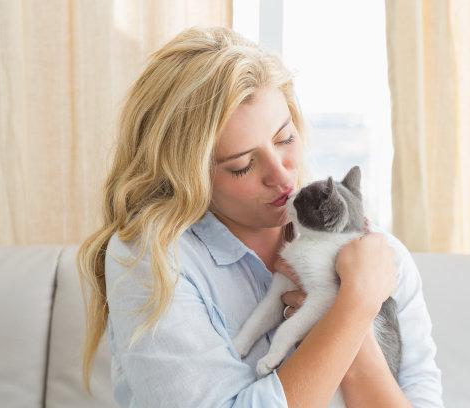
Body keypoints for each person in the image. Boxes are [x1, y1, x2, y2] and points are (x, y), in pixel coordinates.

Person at [77, 26, 443, 407]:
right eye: (242, 165)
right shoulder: (152, 260)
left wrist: (360, 352)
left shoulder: (378, 258)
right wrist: (354, 307)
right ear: (187, 177)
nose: (282, 176)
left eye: (285, 139)